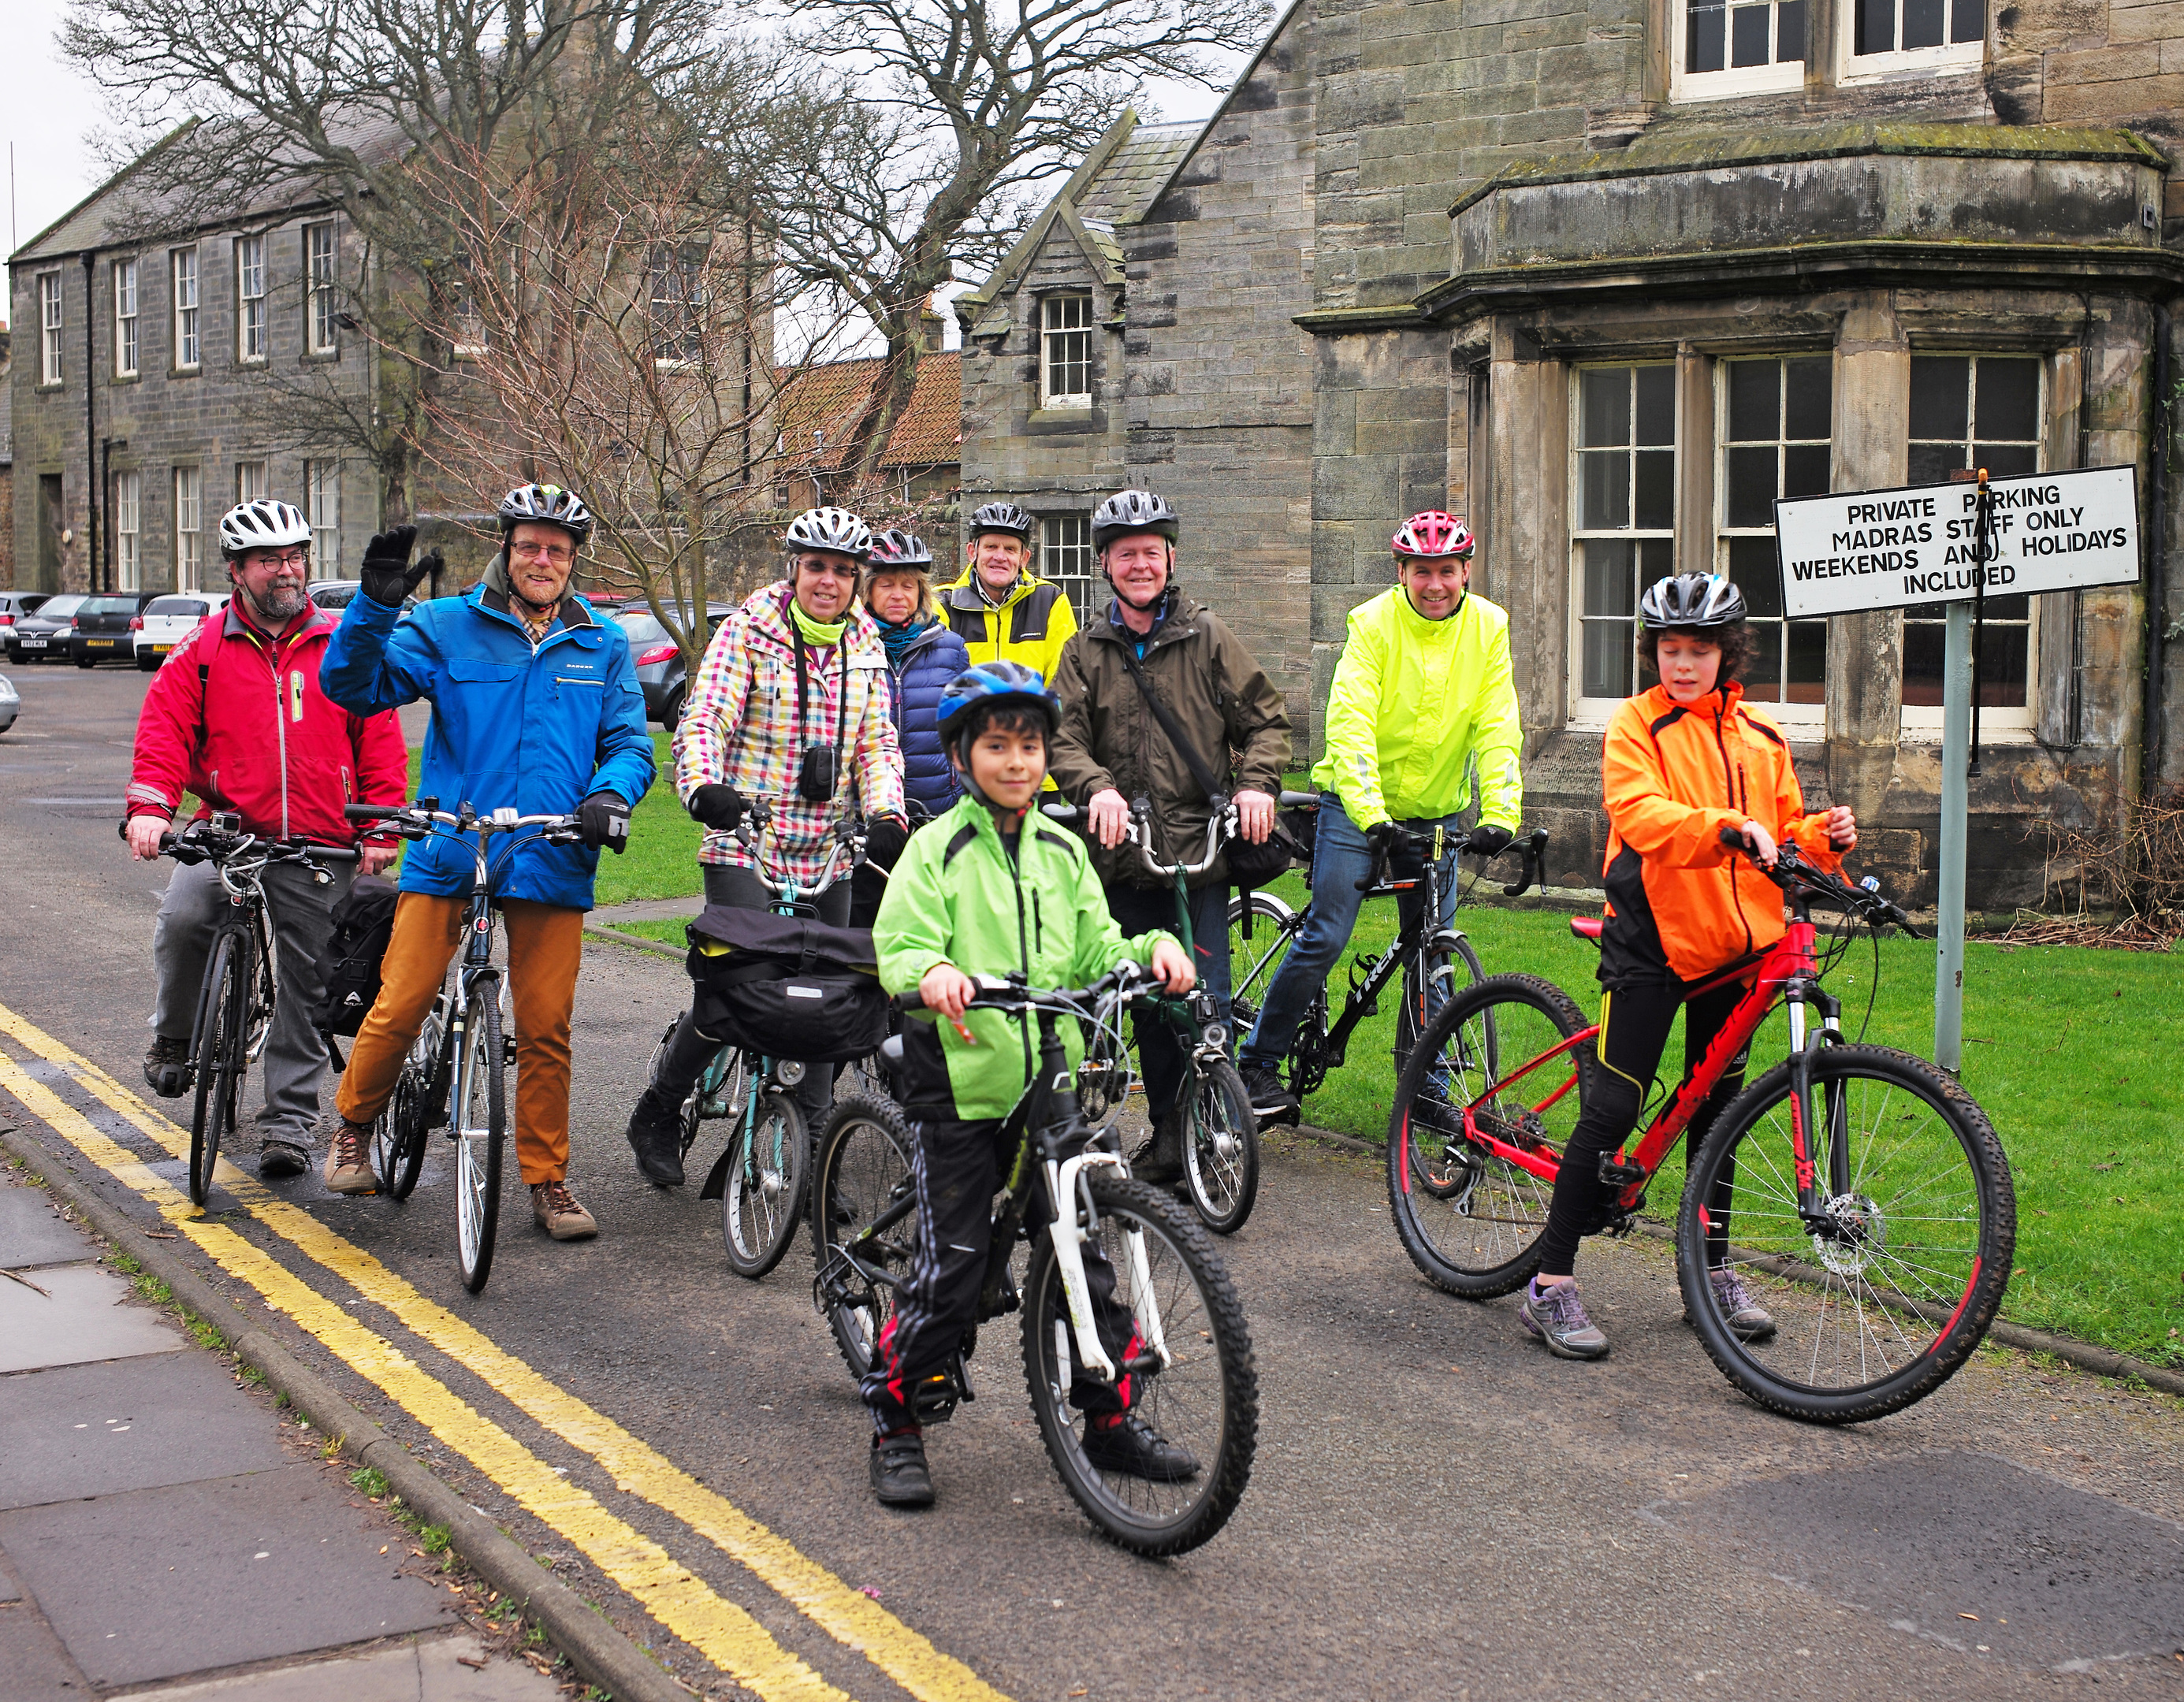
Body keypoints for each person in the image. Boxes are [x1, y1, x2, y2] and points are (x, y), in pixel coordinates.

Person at [863, 660, 1200, 1507]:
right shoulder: (937, 851)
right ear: (961, 756)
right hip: (965, 1077)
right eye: (997, 746)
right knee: (954, 1269)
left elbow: (1093, 946)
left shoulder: (1060, 849)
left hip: (1050, 1072)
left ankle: (1109, 1419)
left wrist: (1146, 952)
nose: (1016, 762)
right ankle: (897, 1416)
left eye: (1030, 747)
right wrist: (933, 972)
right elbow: (899, 943)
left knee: (1081, 1256)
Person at [1520, 573, 1858, 1361]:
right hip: (1649, 941)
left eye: (1697, 651)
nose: (1681, 664)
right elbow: (1639, 815)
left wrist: (1822, 838)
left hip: (1735, 951)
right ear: (1653, 654)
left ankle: (1709, 1273)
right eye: (1669, 649)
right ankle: (1550, 1282)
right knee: (1610, 1111)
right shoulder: (1634, 727)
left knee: (1718, 1118)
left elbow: (1780, 836)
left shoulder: (1762, 740)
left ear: (1724, 654)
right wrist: (1727, 827)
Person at [319, 484, 655, 1239]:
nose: (543, 560)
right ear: (506, 548)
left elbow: (631, 743)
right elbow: (353, 689)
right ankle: (352, 1127)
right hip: (452, 842)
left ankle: (547, 1180)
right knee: (402, 1000)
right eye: (531, 546)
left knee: (545, 1026)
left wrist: (610, 795)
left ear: (573, 561)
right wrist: (371, 609)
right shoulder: (445, 623)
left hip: (551, 849)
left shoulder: (599, 643)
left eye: (558, 551)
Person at [622, 507, 906, 1187]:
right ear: (793, 569)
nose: (830, 582)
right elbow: (704, 720)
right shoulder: (748, 631)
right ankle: (660, 1107)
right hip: (746, 837)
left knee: (825, 1003)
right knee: (738, 989)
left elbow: (876, 745)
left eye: (844, 571)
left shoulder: (865, 641)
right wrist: (704, 790)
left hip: (828, 848)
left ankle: (806, 1153)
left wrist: (887, 813)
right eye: (818, 568)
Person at [125, 500, 407, 1178]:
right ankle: (176, 1034)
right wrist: (151, 808)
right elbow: (163, 735)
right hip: (228, 833)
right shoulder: (200, 652)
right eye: (269, 560)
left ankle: (287, 1124)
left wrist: (378, 822)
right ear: (236, 571)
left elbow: (380, 738)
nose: (287, 571)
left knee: (313, 981)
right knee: (184, 916)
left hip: (321, 840)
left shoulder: (342, 645)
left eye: (295, 557)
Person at [1235, 511, 1521, 1122]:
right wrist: (1369, 815)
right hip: (1353, 804)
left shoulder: (1488, 627)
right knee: (1329, 933)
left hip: (1435, 811)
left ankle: (1428, 1088)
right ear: (1401, 573)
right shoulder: (1371, 624)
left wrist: (1499, 813)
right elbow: (1351, 722)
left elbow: (1497, 726)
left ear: (1466, 571)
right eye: (1423, 572)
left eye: (1447, 571)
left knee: (1432, 950)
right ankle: (1257, 1063)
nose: (1436, 584)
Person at [1047, 489, 1290, 1184]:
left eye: (1150, 552)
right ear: (1104, 564)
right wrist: (1094, 788)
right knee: (1142, 1008)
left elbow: (1266, 722)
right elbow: (1060, 737)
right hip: (1121, 860)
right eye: (1126, 554)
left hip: (1197, 858)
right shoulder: (1083, 651)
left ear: (1170, 558)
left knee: (1202, 1004)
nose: (1140, 565)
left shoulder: (1208, 637)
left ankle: (1209, 1137)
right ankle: (1165, 1138)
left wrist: (1256, 785)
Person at [851, 528, 969, 930]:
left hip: (935, 811)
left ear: (922, 592)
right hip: (866, 819)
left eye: (907, 585)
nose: (898, 594)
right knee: (866, 930)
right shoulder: (850, 646)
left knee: (931, 928)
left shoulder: (950, 648)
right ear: (867, 591)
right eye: (886, 585)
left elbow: (965, 727)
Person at [939, 501, 1077, 682]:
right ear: (972, 552)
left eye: (1010, 549)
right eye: (991, 547)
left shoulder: (1051, 601)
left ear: (1024, 558)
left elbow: (1064, 682)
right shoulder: (943, 605)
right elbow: (937, 682)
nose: (1000, 557)